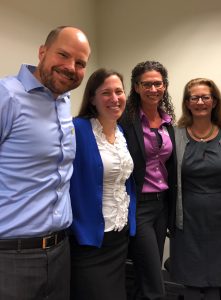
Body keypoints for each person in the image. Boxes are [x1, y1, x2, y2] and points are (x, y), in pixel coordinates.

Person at [0, 26, 90, 300]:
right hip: (11, 257)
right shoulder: (7, 96)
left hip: (60, 252)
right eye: (63, 55)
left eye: (80, 63)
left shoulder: (63, 101)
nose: (70, 67)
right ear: (42, 52)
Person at [69, 68, 136, 300]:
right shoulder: (76, 129)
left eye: (119, 91)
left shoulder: (122, 133)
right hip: (89, 240)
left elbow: (125, 182)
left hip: (119, 235)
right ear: (92, 98)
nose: (115, 98)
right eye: (106, 93)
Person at [169, 78, 221, 300]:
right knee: (191, 277)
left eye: (205, 97)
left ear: (214, 101)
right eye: (194, 98)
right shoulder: (175, 134)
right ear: (187, 103)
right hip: (187, 218)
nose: (200, 102)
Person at [119, 60, 177, 300]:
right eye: (147, 84)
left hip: (162, 204)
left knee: (145, 272)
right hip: (139, 205)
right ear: (136, 87)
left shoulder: (168, 122)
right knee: (153, 274)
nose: (154, 89)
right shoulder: (125, 121)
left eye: (158, 83)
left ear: (164, 86)